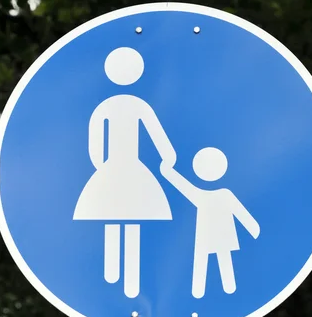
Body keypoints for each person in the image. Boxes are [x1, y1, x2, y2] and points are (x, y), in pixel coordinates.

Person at [73, 47, 175, 298]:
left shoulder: (106, 107)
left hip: (113, 168)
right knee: (131, 217)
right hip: (130, 168)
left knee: (114, 215)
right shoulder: (137, 105)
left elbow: (95, 145)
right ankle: (124, 280)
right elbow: (158, 136)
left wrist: (102, 168)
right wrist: (168, 157)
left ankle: (116, 275)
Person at [160, 147, 260, 297]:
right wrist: (253, 229)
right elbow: (183, 186)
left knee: (212, 260)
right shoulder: (215, 195)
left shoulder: (209, 195)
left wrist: (253, 228)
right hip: (211, 235)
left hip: (213, 235)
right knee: (210, 260)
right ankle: (206, 292)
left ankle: (216, 292)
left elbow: (240, 212)